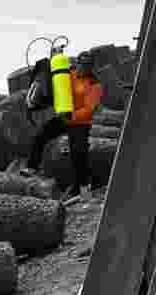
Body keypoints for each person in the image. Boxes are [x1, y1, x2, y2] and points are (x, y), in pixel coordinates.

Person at [23, 50, 104, 203]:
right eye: (81, 64)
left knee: (79, 155)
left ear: (91, 67)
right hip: (64, 116)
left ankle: (84, 193)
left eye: (86, 66)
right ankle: (31, 167)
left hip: (80, 123)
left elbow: (89, 109)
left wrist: (71, 115)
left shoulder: (94, 84)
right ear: (77, 63)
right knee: (40, 135)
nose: (82, 68)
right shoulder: (68, 74)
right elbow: (57, 90)